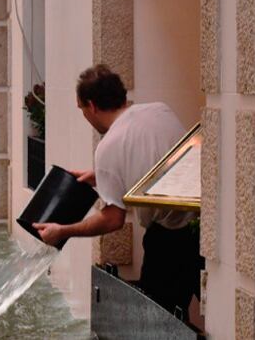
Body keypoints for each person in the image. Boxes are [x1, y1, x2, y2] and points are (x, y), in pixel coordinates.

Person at [33, 64, 203, 320]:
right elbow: (157, 166)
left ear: (91, 105)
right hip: (206, 226)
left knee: (159, 323)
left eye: (81, 109)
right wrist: (101, 177)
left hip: (170, 239)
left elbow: (113, 220)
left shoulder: (108, 147)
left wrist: (63, 231)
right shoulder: (159, 110)